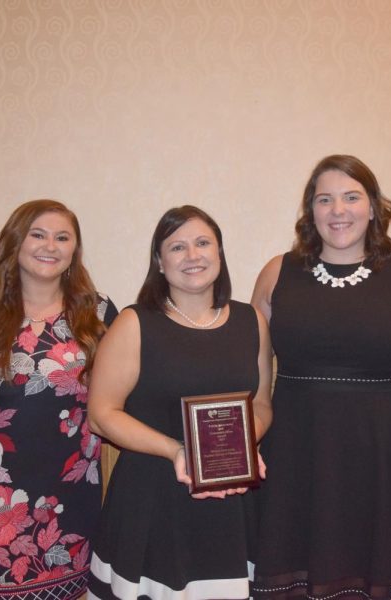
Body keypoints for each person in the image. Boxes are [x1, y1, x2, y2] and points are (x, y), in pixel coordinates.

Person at [250, 155, 391, 599]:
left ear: (374, 207)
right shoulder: (276, 274)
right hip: (301, 447)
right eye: (325, 199)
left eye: (351, 197)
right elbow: (254, 371)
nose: (338, 210)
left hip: (389, 450)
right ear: (311, 211)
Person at [86, 205, 273, 599]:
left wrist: (240, 449)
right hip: (153, 500)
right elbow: (102, 415)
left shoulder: (250, 321)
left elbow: (261, 406)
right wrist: (178, 451)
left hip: (232, 503)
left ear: (219, 254)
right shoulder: (135, 323)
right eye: (177, 247)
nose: (193, 256)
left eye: (203, 243)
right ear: (159, 261)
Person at [0, 199, 117, 599]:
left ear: (73, 252)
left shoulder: (99, 314)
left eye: (62, 237)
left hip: (74, 502)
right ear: (15, 242)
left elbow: (125, 398)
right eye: (38, 234)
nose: (50, 245)